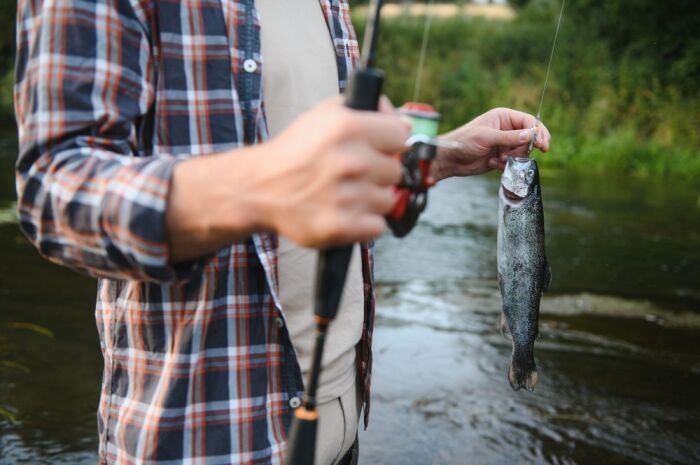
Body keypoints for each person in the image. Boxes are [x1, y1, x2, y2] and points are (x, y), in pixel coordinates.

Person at [13, 1, 550, 464]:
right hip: (207, 440)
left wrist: (436, 157)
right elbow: (53, 191)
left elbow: (316, 164)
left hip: (341, 429)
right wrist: (262, 186)